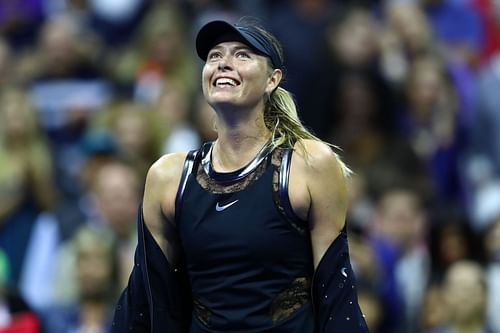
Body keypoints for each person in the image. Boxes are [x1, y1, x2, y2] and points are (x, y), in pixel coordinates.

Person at [110, 18, 368, 333]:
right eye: (215, 56)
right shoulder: (169, 176)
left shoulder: (308, 164)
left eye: (242, 55)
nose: (223, 64)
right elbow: (146, 301)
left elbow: (336, 293)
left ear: (273, 80)